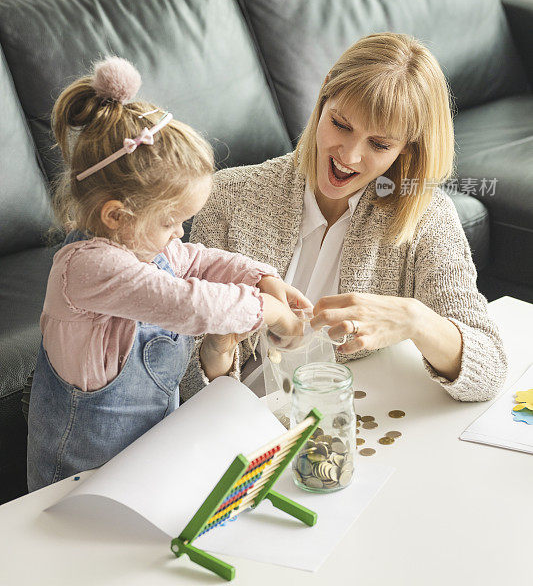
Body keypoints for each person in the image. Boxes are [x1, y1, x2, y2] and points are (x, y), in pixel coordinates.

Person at [27, 57, 307, 492]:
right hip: (76, 486)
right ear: (117, 215)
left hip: (143, 468)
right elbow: (187, 303)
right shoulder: (85, 268)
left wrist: (262, 278)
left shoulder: (142, 246)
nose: (179, 233)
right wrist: (266, 309)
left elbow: (197, 260)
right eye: (170, 221)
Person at [186, 33, 507, 402]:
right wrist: (218, 347)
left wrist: (413, 320)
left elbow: (489, 368)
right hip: (238, 421)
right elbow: (175, 381)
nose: (350, 156)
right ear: (324, 97)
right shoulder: (228, 199)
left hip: (354, 419)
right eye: (341, 124)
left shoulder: (425, 216)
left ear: (406, 149)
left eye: (380, 144)